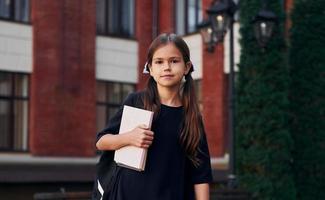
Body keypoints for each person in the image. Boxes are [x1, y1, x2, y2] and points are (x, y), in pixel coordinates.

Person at [92, 33, 212, 200]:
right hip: (126, 194)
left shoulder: (191, 117)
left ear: (186, 67)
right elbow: (101, 142)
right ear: (150, 68)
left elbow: (201, 176)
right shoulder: (136, 101)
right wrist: (129, 138)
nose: (167, 67)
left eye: (174, 61)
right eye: (159, 62)